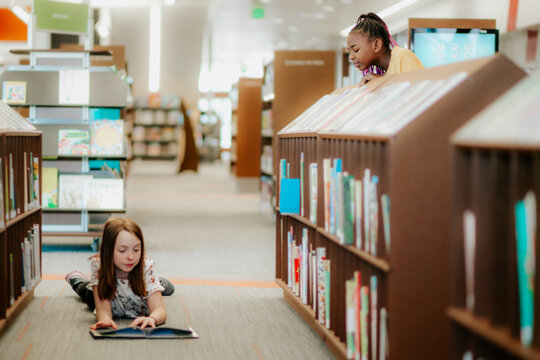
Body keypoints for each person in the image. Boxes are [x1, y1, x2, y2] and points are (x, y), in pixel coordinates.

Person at [65, 217, 175, 330]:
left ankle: (156, 281)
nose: (131, 257)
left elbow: (160, 310)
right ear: (108, 250)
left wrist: (152, 318)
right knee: (87, 293)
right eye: (122, 250)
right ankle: (77, 278)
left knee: (166, 288)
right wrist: (105, 319)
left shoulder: (146, 265)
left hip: (141, 286)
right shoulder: (99, 266)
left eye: (136, 250)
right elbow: (103, 310)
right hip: (110, 297)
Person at [347, 12, 424, 85]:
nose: (351, 57)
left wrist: (382, 81)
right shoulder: (385, 73)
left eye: (356, 50)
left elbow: (416, 89)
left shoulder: (402, 55)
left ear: (377, 45)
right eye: (350, 52)